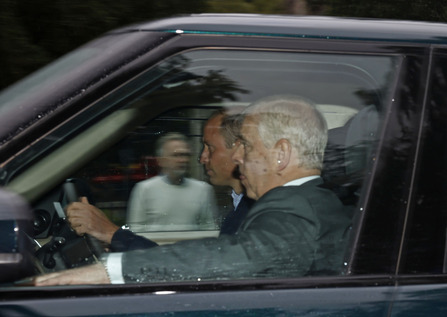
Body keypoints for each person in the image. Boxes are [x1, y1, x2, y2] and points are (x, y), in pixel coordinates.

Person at [35, 95, 352, 285]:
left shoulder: (297, 209)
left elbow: (239, 257)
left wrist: (109, 272)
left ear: (281, 154)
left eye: (247, 146)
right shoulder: (308, 201)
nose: (238, 157)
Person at [66, 108, 252, 251]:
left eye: (210, 148)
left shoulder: (251, 213)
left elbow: (201, 268)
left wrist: (111, 233)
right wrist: (116, 239)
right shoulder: (240, 208)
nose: (201, 158)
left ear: (238, 151)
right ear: (161, 160)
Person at [125, 132, 218, 232]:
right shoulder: (144, 189)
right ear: (161, 161)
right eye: (176, 155)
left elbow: (210, 229)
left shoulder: (203, 190)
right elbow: (135, 231)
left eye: (185, 155)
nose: (182, 160)